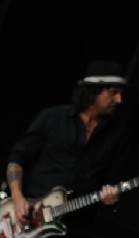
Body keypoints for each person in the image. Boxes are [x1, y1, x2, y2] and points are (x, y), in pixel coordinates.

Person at [4, 60, 131, 238]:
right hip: (29, 214)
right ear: (94, 91)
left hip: (75, 224)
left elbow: (112, 181)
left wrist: (113, 198)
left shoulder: (115, 135)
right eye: (113, 92)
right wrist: (17, 198)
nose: (119, 100)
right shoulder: (53, 118)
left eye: (121, 93)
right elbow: (17, 158)